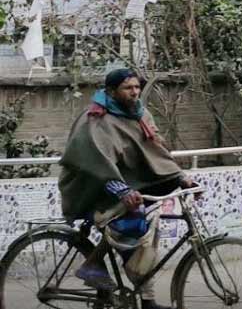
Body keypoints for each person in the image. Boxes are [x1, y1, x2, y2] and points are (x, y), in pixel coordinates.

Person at [58, 68, 197, 309]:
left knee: (147, 235)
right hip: (93, 188)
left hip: (129, 186)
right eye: (128, 88)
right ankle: (92, 265)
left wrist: (180, 178)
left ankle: (147, 300)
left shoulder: (140, 114)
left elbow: (155, 152)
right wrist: (122, 190)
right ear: (112, 91)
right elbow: (95, 162)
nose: (134, 92)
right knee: (131, 224)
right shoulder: (96, 118)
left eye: (136, 87)